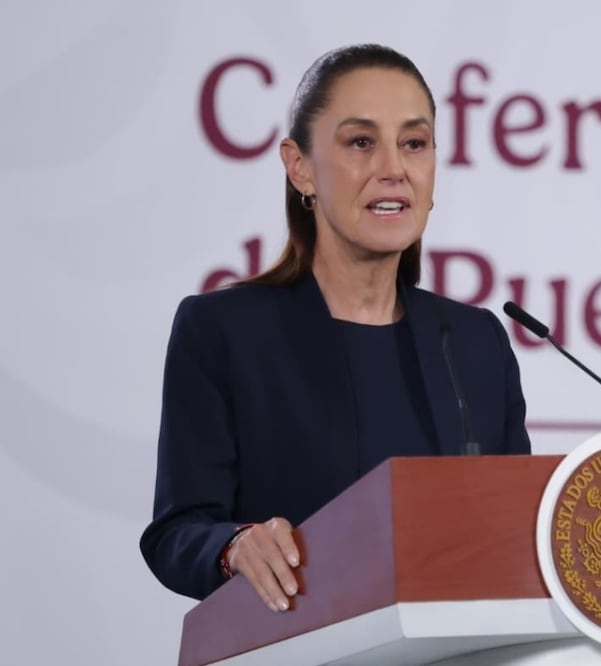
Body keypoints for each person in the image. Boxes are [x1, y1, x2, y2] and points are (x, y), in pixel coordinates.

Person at [139, 44, 531, 611]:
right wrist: (234, 546)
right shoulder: (223, 331)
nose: (393, 169)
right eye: (361, 143)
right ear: (300, 166)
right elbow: (177, 532)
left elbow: (513, 537)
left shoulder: (476, 343)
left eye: (414, 144)